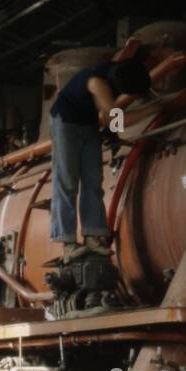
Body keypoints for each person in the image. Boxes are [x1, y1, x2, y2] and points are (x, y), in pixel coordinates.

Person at [47, 58, 152, 261]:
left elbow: (107, 115)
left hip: (88, 123)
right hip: (65, 123)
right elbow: (116, 120)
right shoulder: (98, 83)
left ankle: (92, 235)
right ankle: (67, 241)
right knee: (67, 180)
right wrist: (155, 108)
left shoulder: (117, 70)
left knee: (93, 180)